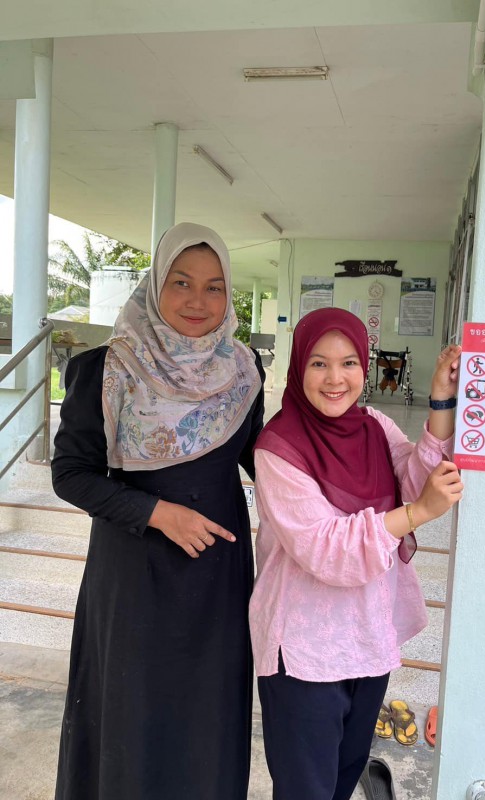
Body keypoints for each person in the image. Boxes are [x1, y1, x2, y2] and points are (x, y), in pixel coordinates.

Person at [52, 223, 264, 800]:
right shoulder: (107, 369)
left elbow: (263, 458)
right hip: (133, 576)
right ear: (155, 286)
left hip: (217, 578)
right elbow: (70, 474)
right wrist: (157, 513)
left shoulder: (243, 371)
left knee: (207, 715)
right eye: (181, 282)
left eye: (215, 287)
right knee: (130, 711)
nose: (199, 301)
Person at [249, 307, 463, 800]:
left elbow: (414, 479)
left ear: (364, 367)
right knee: (306, 790)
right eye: (319, 363)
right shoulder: (277, 449)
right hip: (304, 653)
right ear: (298, 366)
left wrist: (441, 399)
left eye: (348, 363)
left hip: (367, 638)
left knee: (345, 778)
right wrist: (418, 513)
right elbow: (326, 548)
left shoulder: (374, 426)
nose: (335, 379)